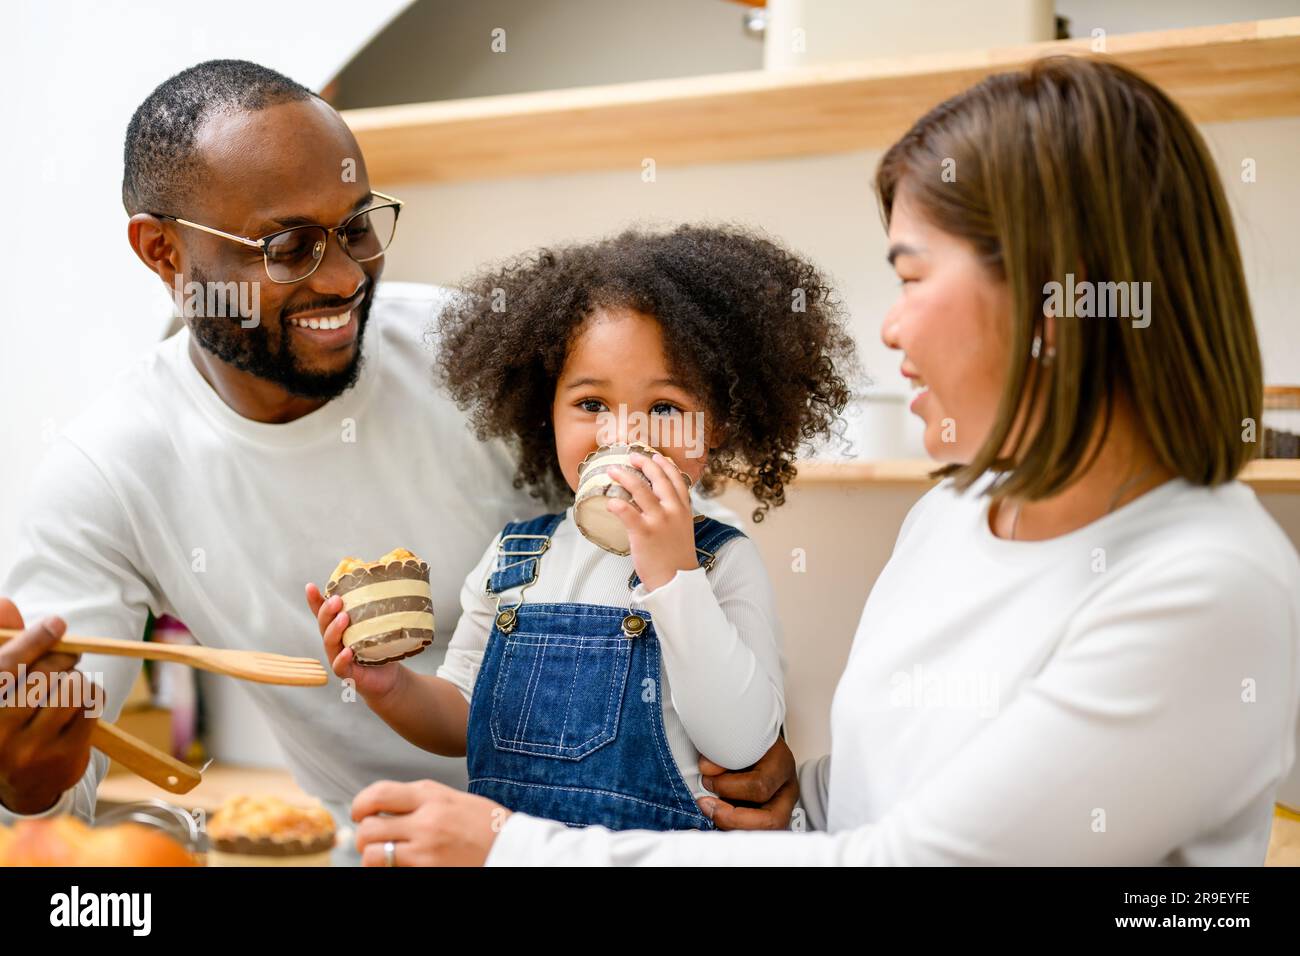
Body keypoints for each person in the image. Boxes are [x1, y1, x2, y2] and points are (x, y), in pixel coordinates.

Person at [346, 56, 1300, 866]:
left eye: (912, 275)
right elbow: (896, 800)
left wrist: (514, 847)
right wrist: (793, 797)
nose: (888, 326)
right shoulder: (955, 516)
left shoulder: (1207, 589)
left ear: (1064, 298)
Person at [0, 60, 798, 860]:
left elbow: (676, 550)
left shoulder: (475, 358)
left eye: (356, 227)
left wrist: (748, 753)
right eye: (289, 247)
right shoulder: (107, 472)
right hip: (378, 846)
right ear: (164, 251)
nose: (346, 278)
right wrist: (22, 775)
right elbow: (49, 794)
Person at [308, 227, 855, 848]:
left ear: (719, 426)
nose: (624, 433)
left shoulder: (722, 559)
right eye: (592, 404)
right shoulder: (515, 556)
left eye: (666, 408)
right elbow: (466, 714)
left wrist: (674, 575)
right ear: (548, 415)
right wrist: (391, 689)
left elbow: (742, 744)